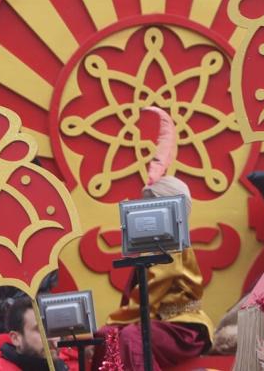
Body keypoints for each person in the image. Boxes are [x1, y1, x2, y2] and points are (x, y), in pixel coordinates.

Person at [92, 113, 214, 371]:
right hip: (156, 322)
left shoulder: (173, 243)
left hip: (182, 327)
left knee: (131, 337)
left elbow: (152, 292)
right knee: (105, 337)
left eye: (149, 204)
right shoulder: (151, 244)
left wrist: (116, 320)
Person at [1, 298, 68, 371]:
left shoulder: (66, 365)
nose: (52, 338)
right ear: (16, 338)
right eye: (40, 330)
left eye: (54, 329)